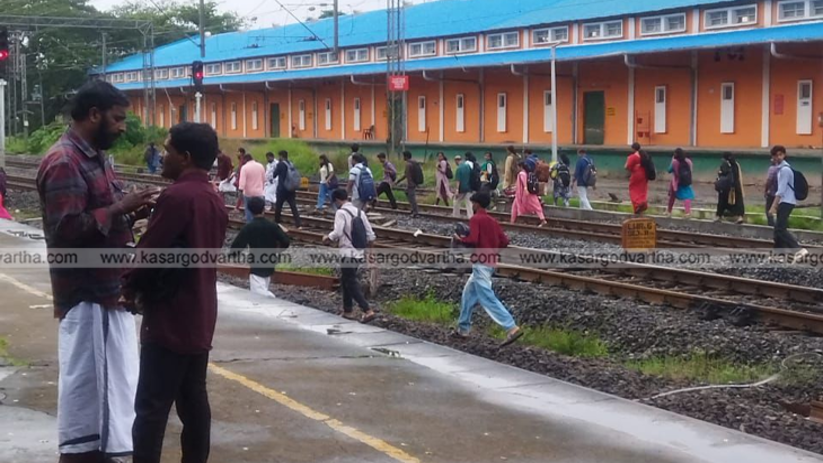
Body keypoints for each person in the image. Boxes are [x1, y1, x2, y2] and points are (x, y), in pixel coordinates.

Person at [36, 81, 155, 462]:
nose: (122, 127)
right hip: (88, 296)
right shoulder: (65, 162)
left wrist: (130, 212)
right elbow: (65, 231)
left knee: (112, 388)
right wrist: (120, 209)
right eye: (118, 119)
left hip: (107, 291)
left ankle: (103, 452)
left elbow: (99, 217)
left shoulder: (96, 158)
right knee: (93, 392)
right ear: (93, 115)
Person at [122, 122, 228, 463]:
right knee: (193, 400)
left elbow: (148, 253)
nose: (162, 158)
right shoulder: (213, 197)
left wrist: (126, 286)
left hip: (169, 317)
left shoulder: (176, 196)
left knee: (151, 408)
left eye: (167, 151)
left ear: (184, 157)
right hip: (200, 313)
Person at [452, 192, 523, 346]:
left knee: (487, 297)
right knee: (468, 294)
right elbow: (504, 241)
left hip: (480, 263)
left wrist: (460, 239)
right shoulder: (492, 221)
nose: (472, 204)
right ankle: (463, 328)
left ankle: (511, 327)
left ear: (477, 204)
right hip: (490, 262)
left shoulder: (476, 219)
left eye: (473, 203)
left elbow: (473, 240)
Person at [323, 188, 377, 323]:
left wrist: (327, 238)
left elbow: (338, 232)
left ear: (337, 200)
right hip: (358, 252)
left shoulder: (340, 213)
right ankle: (348, 310)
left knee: (350, 282)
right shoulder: (360, 212)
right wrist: (369, 251)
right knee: (346, 280)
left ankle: (367, 309)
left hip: (347, 252)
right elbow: (370, 235)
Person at [230, 196, 291, 297]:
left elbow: (236, 247)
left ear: (250, 210)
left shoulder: (249, 227)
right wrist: (278, 250)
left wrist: (233, 255)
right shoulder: (273, 226)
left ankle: (273, 301)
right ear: (263, 209)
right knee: (264, 285)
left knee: (259, 295)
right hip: (270, 262)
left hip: (256, 265)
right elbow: (286, 242)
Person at [769, 145, 808, 262]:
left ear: (784, 155)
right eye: (776, 155)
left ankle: (798, 250)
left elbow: (780, 190)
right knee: (778, 229)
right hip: (785, 202)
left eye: (780, 155)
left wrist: (773, 206)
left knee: (780, 229)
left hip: (786, 202)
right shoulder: (782, 169)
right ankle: (778, 254)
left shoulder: (785, 170)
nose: (777, 157)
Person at [511, 161, 547, 227]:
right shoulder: (526, 173)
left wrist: (525, 189)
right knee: (516, 206)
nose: (517, 168)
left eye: (518, 167)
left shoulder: (521, 173)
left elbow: (524, 183)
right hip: (525, 193)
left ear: (521, 167)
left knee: (535, 206)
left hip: (523, 194)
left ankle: (543, 220)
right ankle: (512, 222)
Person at [272, 150, 302, 228]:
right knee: (293, 206)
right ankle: (298, 223)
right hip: (291, 189)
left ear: (281, 156)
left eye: (279, 156)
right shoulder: (291, 164)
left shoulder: (280, 164)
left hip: (282, 189)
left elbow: (274, 175)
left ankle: (277, 222)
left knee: (278, 206)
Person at [715, 152, 745, 223]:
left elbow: (722, 175)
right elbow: (739, 177)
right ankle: (739, 217)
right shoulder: (736, 164)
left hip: (726, 188)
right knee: (738, 202)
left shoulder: (725, 164)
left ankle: (719, 216)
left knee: (722, 202)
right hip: (736, 187)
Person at [666, 148, 694, 217]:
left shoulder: (674, 162)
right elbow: (690, 170)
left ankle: (669, 211)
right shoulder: (688, 161)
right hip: (685, 180)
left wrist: (672, 161)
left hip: (675, 182)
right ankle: (687, 212)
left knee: (672, 196)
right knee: (687, 196)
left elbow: (669, 170)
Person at [238, 153, 266, 224]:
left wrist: (240, 192)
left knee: (249, 211)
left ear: (245, 159)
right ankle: (260, 226)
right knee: (260, 212)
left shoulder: (244, 167)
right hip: (259, 193)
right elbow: (264, 179)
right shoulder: (260, 166)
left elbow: (242, 182)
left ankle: (250, 226)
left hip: (248, 194)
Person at [395, 151, 421, 217]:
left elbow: (406, 175)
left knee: (412, 198)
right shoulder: (414, 162)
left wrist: (398, 181)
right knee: (407, 193)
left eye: (403, 156)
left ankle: (415, 212)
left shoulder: (408, 164)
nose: (403, 157)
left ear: (406, 156)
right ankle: (413, 209)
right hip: (413, 183)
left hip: (411, 184)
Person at [625, 143, 649, 215]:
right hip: (645, 174)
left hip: (636, 174)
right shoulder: (644, 155)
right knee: (642, 189)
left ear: (633, 149)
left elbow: (627, 166)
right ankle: (643, 203)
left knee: (633, 190)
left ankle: (637, 205)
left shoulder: (633, 157)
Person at [452, 155, 473, 219]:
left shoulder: (459, 169)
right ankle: (470, 216)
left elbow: (458, 180)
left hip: (462, 188)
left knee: (456, 201)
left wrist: (457, 190)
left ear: (456, 161)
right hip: (469, 188)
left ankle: (456, 215)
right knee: (469, 203)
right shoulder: (468, 166)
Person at [765, 156, 780, 227]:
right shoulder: (783, 168)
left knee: (769, 210)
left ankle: (771, 226)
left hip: (772, 193)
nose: (771, 160)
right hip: (781, 194)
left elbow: (769, 181)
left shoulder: (772, 169)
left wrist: (765, 190)